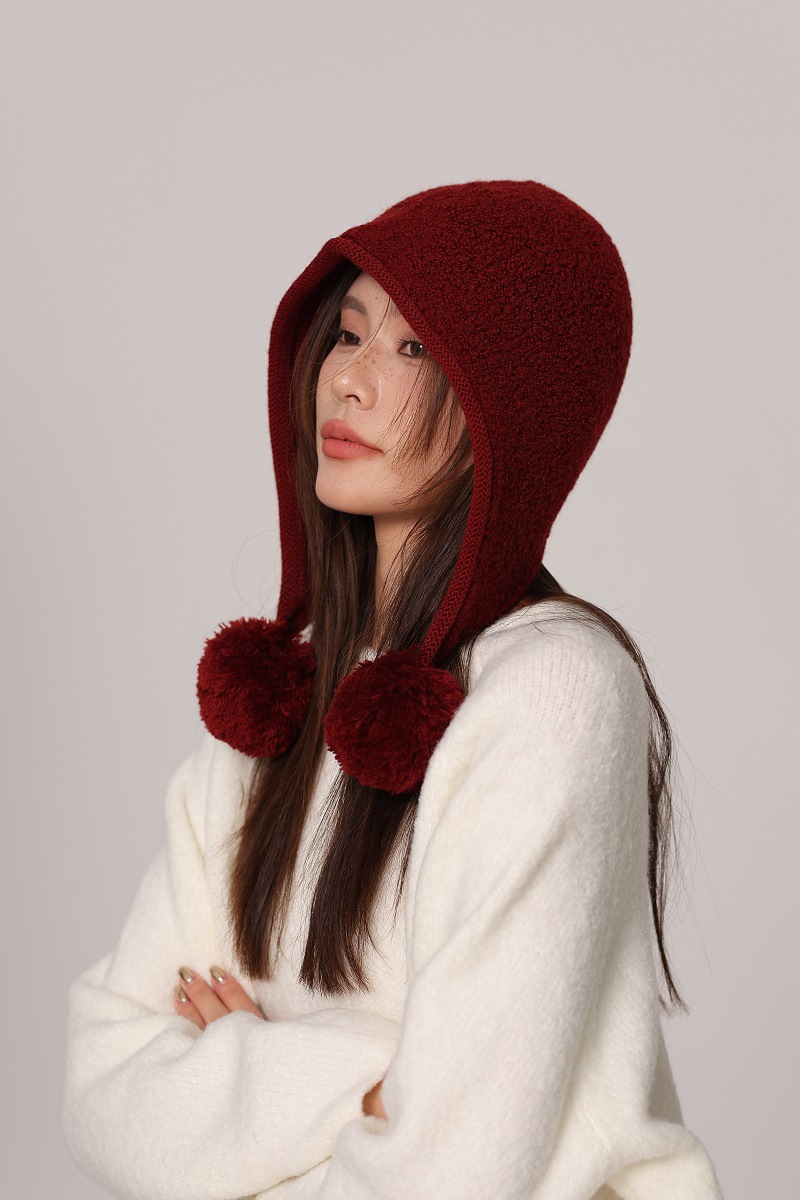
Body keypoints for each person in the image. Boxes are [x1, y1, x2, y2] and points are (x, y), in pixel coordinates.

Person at [60, 180, 725, 1199]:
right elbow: (101, 1092)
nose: (348, 381)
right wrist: (362, 1081)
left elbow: (453, 1172)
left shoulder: (552, 690)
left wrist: (239, 1095)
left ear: (507, 408)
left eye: (414, 349)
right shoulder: (284, 690)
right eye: (348, 333)